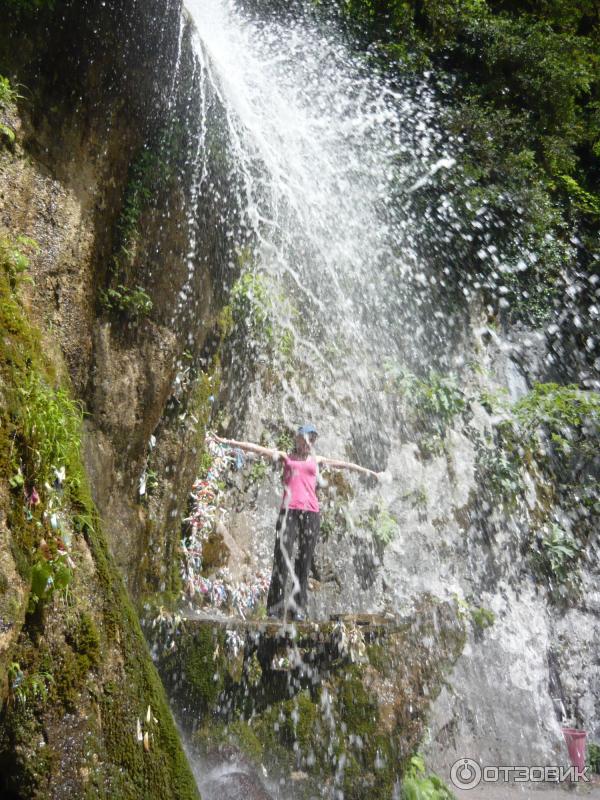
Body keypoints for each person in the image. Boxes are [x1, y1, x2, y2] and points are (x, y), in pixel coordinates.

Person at [208, 424, 383, 621]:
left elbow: (344, 465)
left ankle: (297, 608)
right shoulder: (286, 456)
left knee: (304, 562)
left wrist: (372, 473)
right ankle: (274, 609)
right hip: (288, 512)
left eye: (313, 439)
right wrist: (227, 442)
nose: (310, 442)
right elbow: (257, 448)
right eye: (306, 438)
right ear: (298, 439)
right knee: (281, 558)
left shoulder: (317, 460)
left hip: (311, 514)